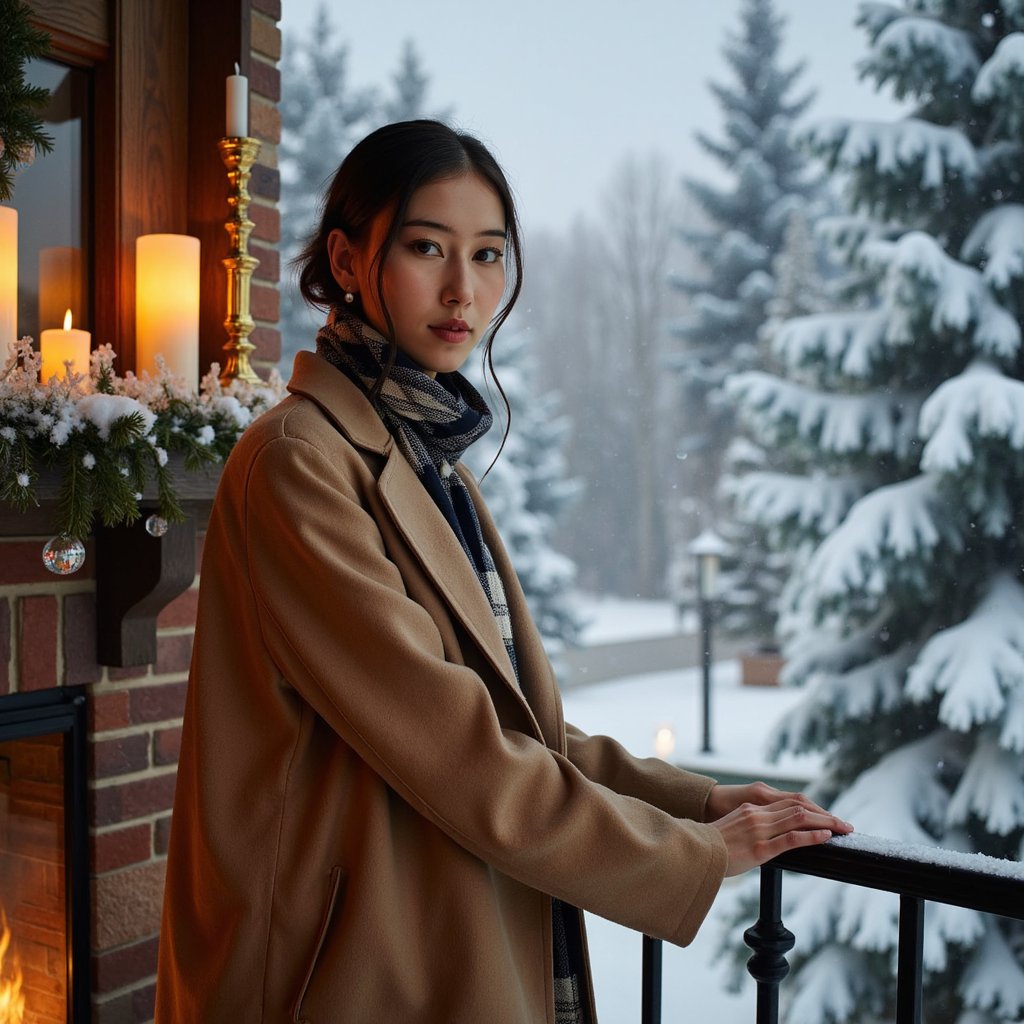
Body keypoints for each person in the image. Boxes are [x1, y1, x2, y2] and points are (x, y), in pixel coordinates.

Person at [155, 119, 852, 1024]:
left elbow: (523, 728)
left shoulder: (429, 464)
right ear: (350, 259)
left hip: (437, 930)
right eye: (425, 247)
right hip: (333, 971)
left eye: (488, 255)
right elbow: (463, 749)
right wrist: (701, 855)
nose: (463, 290)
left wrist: (702, 798)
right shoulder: (298, 461)